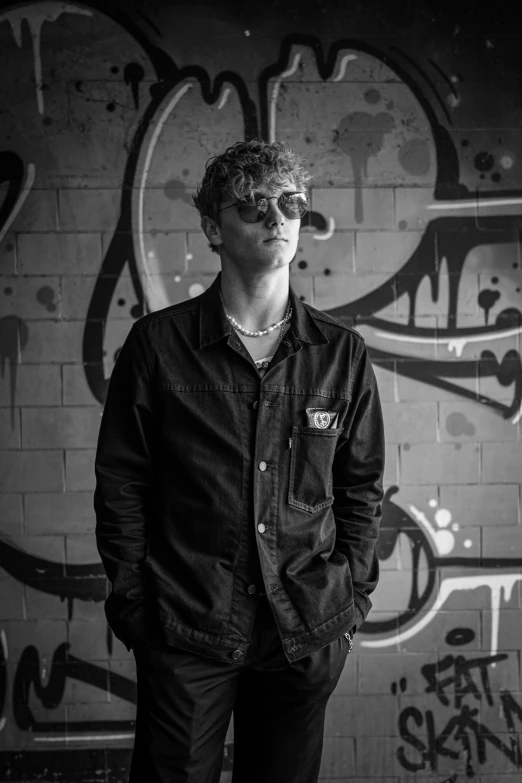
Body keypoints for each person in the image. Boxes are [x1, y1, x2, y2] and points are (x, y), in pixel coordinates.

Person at [94, 139, 385, 783]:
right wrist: (137, 612)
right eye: (252, 206)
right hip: (185, 628)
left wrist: (350, 602)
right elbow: (122, 486)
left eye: (290, 203)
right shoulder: (158, 346)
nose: (275, 217)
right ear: (211, 228)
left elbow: (361, 489)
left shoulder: (341, 354)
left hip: (302, 631)